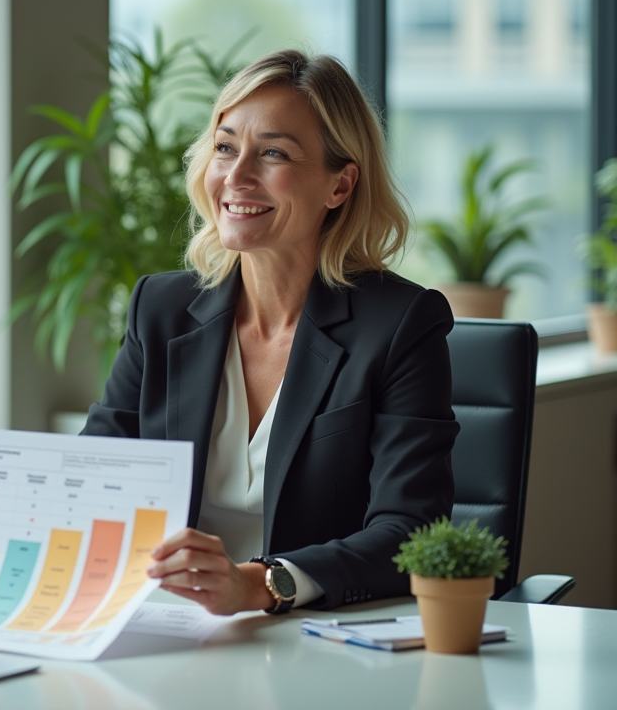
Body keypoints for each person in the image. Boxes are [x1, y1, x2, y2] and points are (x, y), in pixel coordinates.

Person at [83, 50, 458, 616]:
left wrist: (260, 585)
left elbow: (411, 531)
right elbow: (92, 478)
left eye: (273, 153)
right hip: (164, 623)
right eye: (225, 148)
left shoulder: (400, 324)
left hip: (311, 634)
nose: (236, 177)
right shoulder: (160, 310)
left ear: (340, 185)